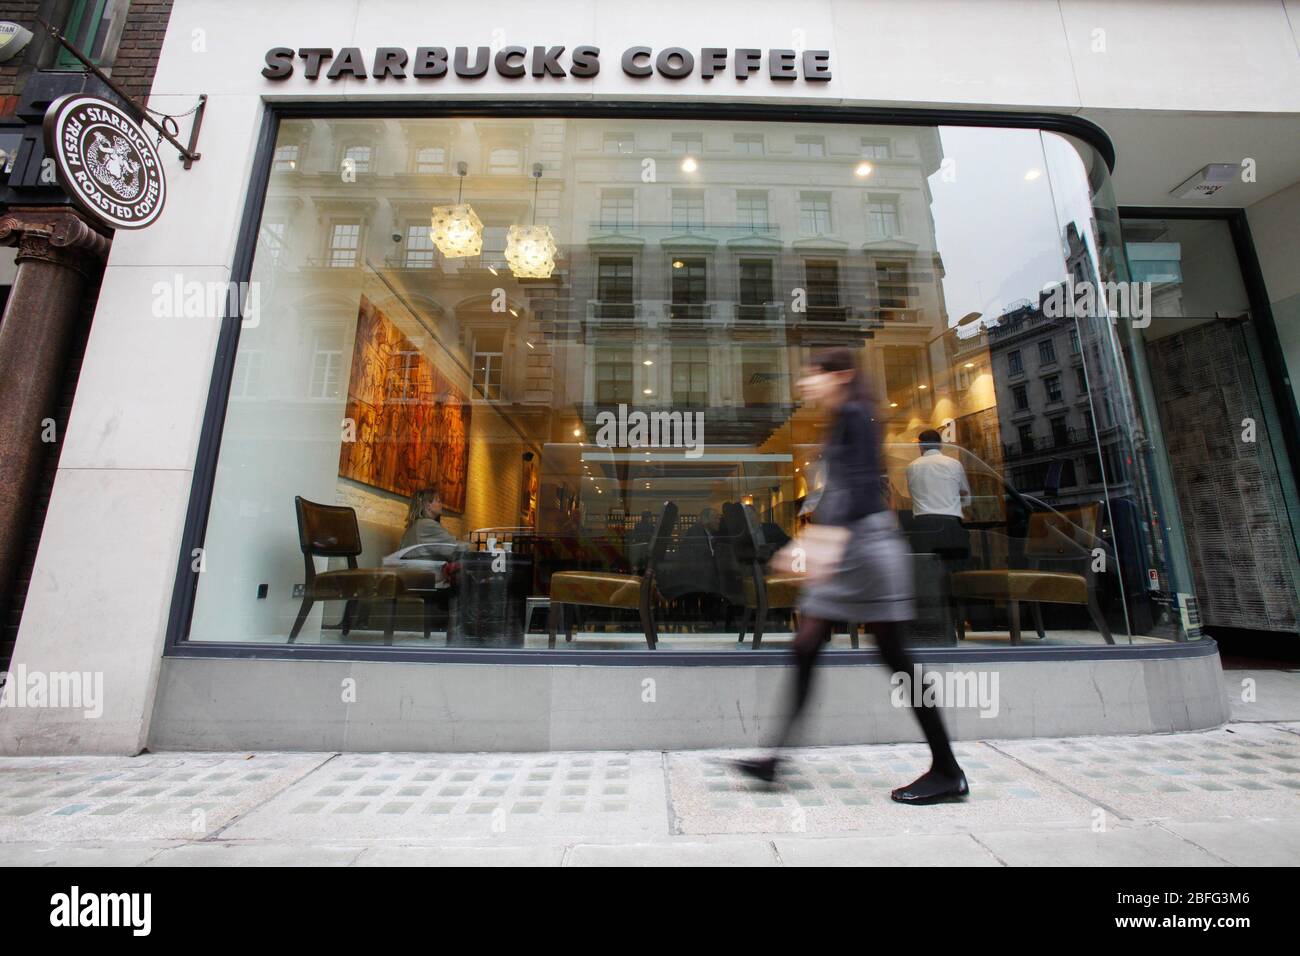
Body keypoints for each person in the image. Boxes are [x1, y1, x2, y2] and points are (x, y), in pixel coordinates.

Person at [735, 349, 968, 805]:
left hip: (868, 549)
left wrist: (816, 542)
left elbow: (862, 489)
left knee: (895, 656)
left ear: (840, 376)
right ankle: (774, 760)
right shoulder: (844, 417)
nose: (806, 385)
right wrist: (815, 540)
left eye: (813, 377)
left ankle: (947, 769)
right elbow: (841, 488)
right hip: (850, 548)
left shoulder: (857, 415)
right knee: (806, 648)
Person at [905, 428, 971, 559]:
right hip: (951, 524)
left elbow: (912, 495)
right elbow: (966, 497)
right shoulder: (954, 464)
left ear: (920, 446)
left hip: (923, 525)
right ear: (941, 444)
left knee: (926, 572)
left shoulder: (911, 467)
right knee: (955, 571)